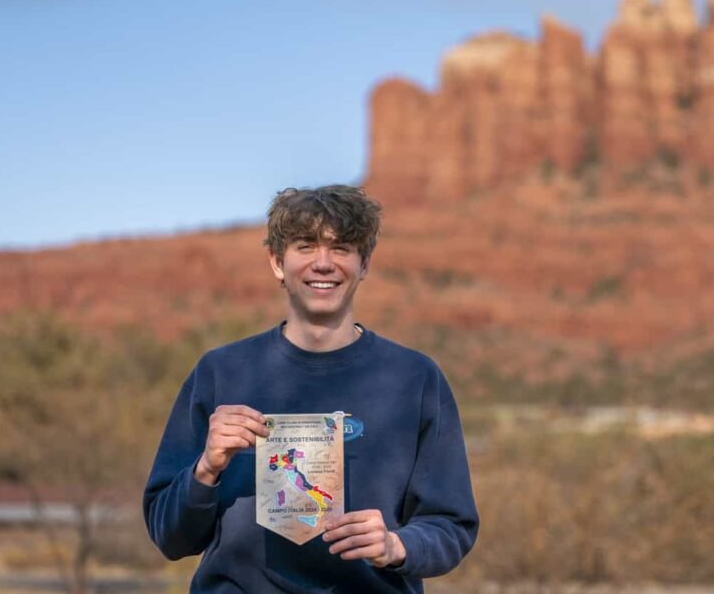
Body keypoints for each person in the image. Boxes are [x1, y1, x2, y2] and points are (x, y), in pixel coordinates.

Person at [143, 185, 479, 593]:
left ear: (365, 263)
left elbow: (451, 524)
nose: (324, 264)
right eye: (306, 246)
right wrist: (206, 470)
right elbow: (169, 536)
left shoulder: (415, 378)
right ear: (277, 262)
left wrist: (398, 545)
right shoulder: (221, 373)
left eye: (341, 248)